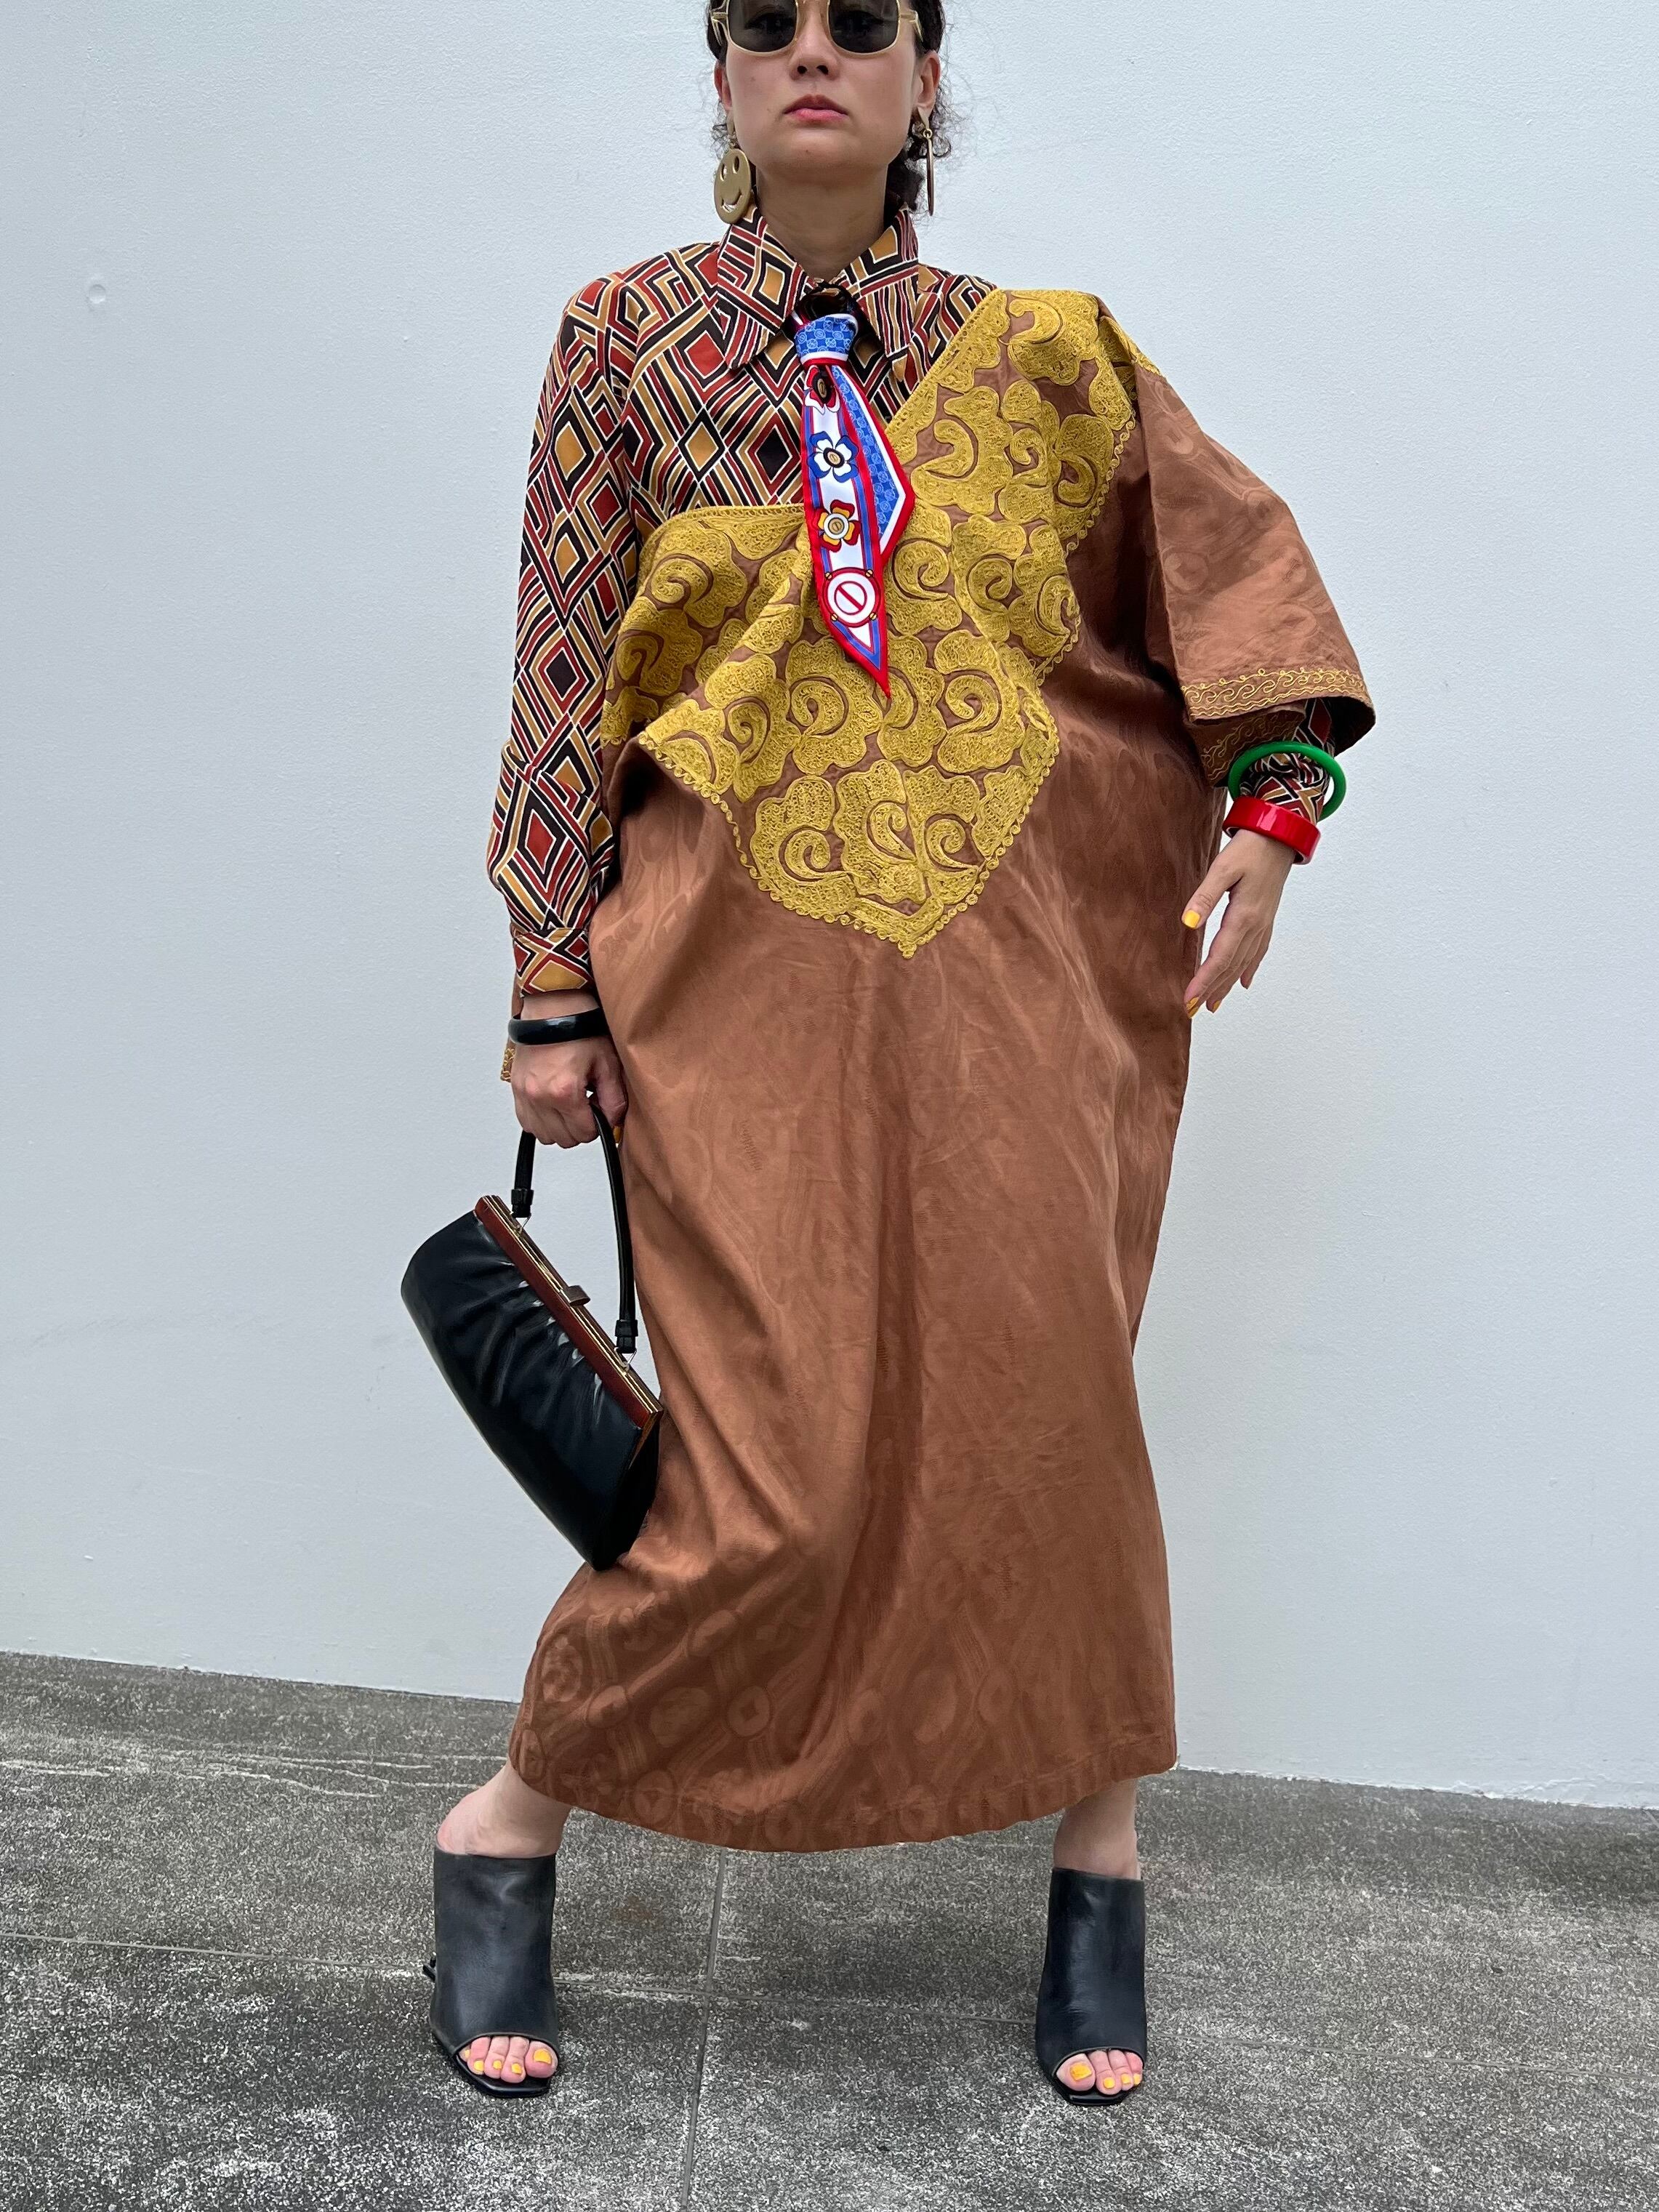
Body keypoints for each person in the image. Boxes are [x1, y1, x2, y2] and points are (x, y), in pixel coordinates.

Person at [425, 0, 1373, 2110]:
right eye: (766, 26)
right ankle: (507, 1816)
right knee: (761, 1478)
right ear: (719, 74)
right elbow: (565, 682)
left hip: (1026, 988)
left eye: (862, 25)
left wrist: (1275, 809)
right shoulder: (624, 340)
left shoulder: (1046, 356)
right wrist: (548, 987)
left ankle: (1098, 1870)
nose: (814, 55)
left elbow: (1223, 591)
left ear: (925, 76)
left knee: (1052, 1410)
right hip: (727, 985)